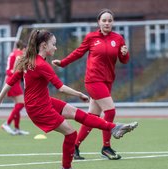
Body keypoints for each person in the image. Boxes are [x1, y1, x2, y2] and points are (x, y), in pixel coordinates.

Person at [0, 29, 138, 169]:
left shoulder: (29, 60)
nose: (56, 48)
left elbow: (10, 81)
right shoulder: (40, 64)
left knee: (80, 115)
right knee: (71, 134)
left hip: (43, 101)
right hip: (39, 109)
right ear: (44, 45)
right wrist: (79, 94)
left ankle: (114, 128)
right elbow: (60, 87)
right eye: (54, 44)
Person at [52, 9, 134, 160]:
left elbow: (124, 61)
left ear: (112, 22)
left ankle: (75, 147)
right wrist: (62, 63)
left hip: (108, 80)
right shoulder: (91, 37)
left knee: (92, 117)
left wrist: (124, 53)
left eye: (110, 20)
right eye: (104, 20)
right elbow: (78, 52)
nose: (107, 23)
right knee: (110, 111)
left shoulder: (118, 38)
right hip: (93, 80)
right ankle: (106, 147)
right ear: (99, 22)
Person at [0, 40, 30, 136]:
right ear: (24, 49)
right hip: (13, 80)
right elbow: (18, 58)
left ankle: (16, 128)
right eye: (26, 50)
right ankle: (7, 123)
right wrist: (18, 69)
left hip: (12, 79)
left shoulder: (13, 52)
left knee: (18, 104)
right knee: (21, 104)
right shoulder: (19, 52)